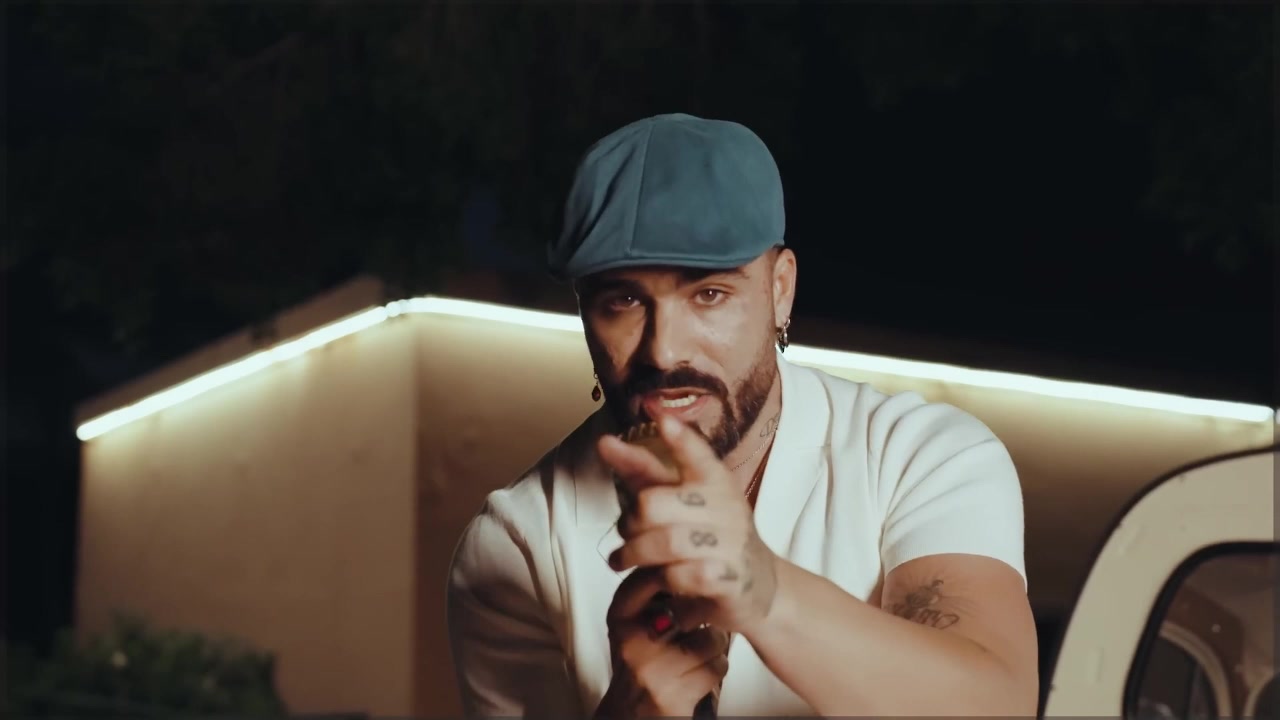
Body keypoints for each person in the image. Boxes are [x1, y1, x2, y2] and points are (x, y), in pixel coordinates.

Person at [446, 113, 1038, 717]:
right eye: (622, 301)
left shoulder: (923, 456)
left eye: (708, 294)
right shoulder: (516, 545)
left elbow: (995, 706)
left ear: (780, 290)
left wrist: (765, 593)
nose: (664, 351)